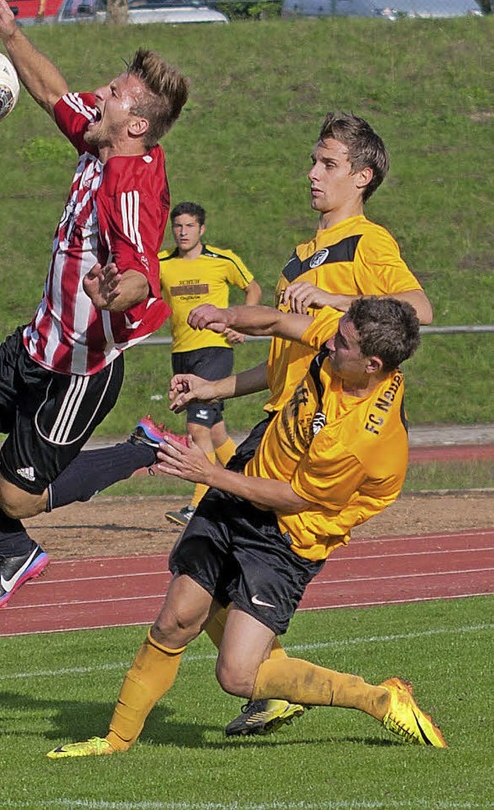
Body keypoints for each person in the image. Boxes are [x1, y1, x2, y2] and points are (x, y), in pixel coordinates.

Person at [46, 296, 447, 758]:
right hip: (246, 479)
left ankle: (377, 698)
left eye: (341, 342)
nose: (329, 341)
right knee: (177, 618)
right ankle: (114, 741)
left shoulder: (361, 439)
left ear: (372, 364)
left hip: (290, 533)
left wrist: (208, 473)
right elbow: (279, 322)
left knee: (236, 676)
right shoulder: (350, 346)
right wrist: (226, 320)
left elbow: (298, 497)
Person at [0, 0, 189, 619]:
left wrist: (115, 291)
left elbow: (142, 274)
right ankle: (15, 554)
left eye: (117, 93)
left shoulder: (129, 182)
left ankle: (138, 451)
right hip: (37, 342)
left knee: (15, 495)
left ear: (138, 122)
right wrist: (8, 31)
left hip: (82, 369)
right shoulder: (102, 140)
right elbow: (50, 92)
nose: (101, 93)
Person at [193, 111, 434, 738]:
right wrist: (219, 384)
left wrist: (335, 301)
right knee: (196, 572)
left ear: (362, 176)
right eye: (314, 160)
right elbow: (286, 361)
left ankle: (288, 683)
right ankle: (267, 684)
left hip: (317, 442)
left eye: (327, 163)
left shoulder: (368, 242)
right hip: (281, 421)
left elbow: (419, 309)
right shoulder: (302, 256)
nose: (312, 173)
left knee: (204, 574)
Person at [159, 201, 262, 526]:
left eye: (189, 226)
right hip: (182, 353)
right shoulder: (162, 263)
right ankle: (249, 490)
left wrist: (240, 324)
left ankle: (199, 504)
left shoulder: (221, 260)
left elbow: (252, 287)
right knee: (216, 433)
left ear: (201, 229)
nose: (183, 231)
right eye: (178, 226)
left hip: (214, 351)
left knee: (197, 427)